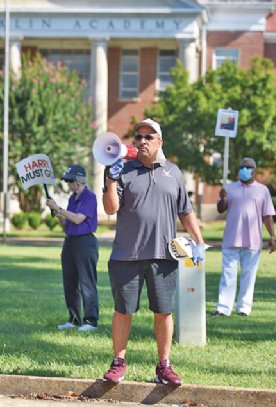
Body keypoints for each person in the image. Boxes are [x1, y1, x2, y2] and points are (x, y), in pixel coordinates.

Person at [101, 118, 205, 386]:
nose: (143, 141)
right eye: (139, 137)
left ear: (160, 142)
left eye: (149, 137)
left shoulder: (174, 172)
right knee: (123, 311)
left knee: (164, 312)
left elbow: (186, 210)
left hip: (164, 256)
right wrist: (110, 180)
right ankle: (118, 363)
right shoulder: (121, 170)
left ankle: (164, 366)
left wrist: (199, 241)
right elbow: (111, 209)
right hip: (126, 255)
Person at [212, 157, 276, 317]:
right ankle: (223, 308)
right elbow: (221, 209)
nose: (244, 170)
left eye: (247, 167)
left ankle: (244, 308)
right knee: (228, 275)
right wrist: (223, 198)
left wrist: (272, 236)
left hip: (253, 240)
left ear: (254, 171)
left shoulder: (263, 190)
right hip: (231, 238)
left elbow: (267, 215)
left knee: (249, 276)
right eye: (241, 167)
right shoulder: (230, 188)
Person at [46, 165, 99, 333]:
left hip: (85, 242)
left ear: (79, 180)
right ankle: (74, 318)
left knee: (86, 282)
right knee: (70, 282)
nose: (68, 184)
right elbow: (68, 223)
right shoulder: (72, 199)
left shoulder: (89, 197)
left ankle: (90, 321)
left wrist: (59, 208)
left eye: (70, 181)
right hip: (70, 241)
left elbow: (77, 219)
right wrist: (58, 214)